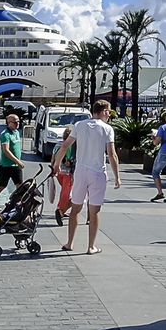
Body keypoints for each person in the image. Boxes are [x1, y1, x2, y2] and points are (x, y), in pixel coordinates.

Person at [53, 99, 120, 254]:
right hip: (97, 173)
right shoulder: (107, 129)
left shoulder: (79, 125)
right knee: (94, 210)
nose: (109, 115)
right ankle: (91, 246)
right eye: (108, 112)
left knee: (76, 208)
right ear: (103, 112)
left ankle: (70, 243)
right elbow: (112, 154)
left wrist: (57, 164)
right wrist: (117, 176)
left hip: (80, 172)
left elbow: (64, 146)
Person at [0, 113, 25, 207]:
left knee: (19, 185)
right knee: (2, 185)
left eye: (18, 121)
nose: (17, 124)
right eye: (15, 122)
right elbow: (6, 151)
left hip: (16, 166)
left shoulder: (17, 132)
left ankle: (17, 203)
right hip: (6, 165)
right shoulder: (5, 134)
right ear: (9, 123)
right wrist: (17, 161)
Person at [52, 124, 77, 226]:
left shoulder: (57, 144)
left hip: (58, 172)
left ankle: (62, 209)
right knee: (66, 193)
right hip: (67, 172)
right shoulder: (71, 145)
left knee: (65, 192)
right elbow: (70, 160)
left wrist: (53, 168)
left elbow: (53, 158)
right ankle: (60, 209)